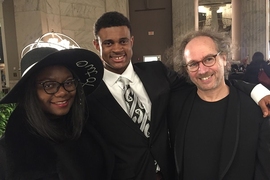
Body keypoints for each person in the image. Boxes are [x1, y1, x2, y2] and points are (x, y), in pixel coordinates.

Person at [85, 11, 270, 180]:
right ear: (96, 44)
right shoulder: (88, 93)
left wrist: (254, 89)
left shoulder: (156, 73)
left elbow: (206, 81)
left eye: (123, 41)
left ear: (131, 41)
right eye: (108, 43)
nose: (117, 49)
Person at [0, 46, 114, 179]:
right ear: (30, 91)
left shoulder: (88, 129)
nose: (62, 92)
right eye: (49, 85)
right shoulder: (10, 151)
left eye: (69, 82)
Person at [168, 30, 270, 180]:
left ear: (223, 58)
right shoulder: (176, 105)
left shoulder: (256, 110)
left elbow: (264, 171)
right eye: (193, 64)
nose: (202, 70)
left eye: (209, 59)